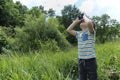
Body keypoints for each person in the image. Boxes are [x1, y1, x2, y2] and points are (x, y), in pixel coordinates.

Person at [66, 14, 97, 80]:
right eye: (82, 21)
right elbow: (68, 29)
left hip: (90, 61)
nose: (82, 21)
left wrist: (84, 16)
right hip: (81, 61)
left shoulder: (91, 33)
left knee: (92, 78)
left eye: (84, 21)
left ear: (92, 26)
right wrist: (76, 21)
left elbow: (89, 22)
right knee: (82, 78)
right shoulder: (78, 34)